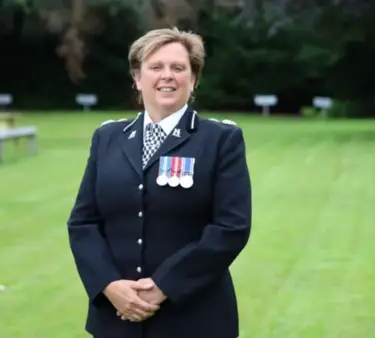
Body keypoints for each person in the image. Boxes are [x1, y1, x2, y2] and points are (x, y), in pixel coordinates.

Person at [66, 27, 252, 338]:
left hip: (196, 319)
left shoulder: (221, 139)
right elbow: (83, 222)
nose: (167, 76)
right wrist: (108, 285)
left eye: (178, 68)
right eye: (156, 67)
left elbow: (231, 227)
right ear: (138, 78)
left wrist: (165, 284)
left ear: (193, 80)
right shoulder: (107, 138)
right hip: (116, 319)